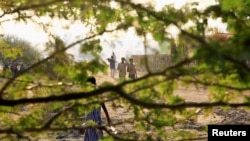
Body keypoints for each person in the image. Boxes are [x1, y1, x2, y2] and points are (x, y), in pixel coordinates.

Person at [83, 77, 111, 141]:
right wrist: (108, 117)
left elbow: (103, 104)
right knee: (93, 136)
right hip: (91, 119)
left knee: (95, 136)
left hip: (94, 119)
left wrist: (108, 118)